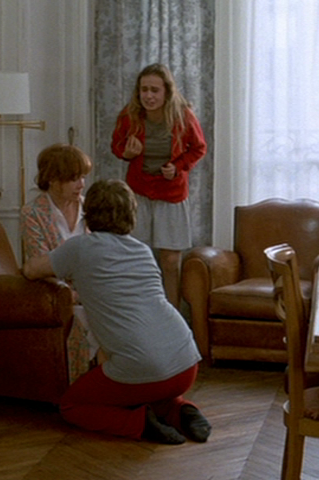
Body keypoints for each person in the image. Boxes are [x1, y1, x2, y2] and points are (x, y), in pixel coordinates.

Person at [22, 179, 212, 445]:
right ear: (131, 215)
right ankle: (180, 410)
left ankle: (140, 424)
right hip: (186, 363)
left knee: (72, 405)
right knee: (147, 382)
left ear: (90, 212)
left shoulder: (79, 247)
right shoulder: (142, 250)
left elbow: (32, 270)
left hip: (146, 368)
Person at [111, 63, 207, 309]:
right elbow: (117, 146)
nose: (149, 96)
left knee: (170, 260)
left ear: (167, 92)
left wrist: (178, 166)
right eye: (144, 90)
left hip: (171, 193)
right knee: (137, 257)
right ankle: (139, 312)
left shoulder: (183, 115)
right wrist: (127, 153)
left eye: (155, 90)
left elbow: (198, 148)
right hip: (139, 192)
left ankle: (172, 314)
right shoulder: (129, 115)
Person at [20, 143, 98, 383]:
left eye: (83, 177)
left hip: (95, 289)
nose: (81, 184)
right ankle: (82, 389)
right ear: (53, 179)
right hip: (61, 294)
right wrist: (76, 294)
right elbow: (39, 264)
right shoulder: (33, 213)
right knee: (91, 320)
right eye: (74, 179)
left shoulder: (91, 209)